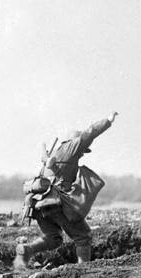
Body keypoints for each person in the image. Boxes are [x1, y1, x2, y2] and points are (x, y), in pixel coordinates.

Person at [15, 112, 117, 268]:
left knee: (53, 238)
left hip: (38, 204)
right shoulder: (70, 148)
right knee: (83, 236)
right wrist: (108, 121)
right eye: (83, 149)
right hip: (56, 202)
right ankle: (84, 269)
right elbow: (89, 133)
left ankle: (27, 249)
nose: (83, 151)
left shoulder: (53, 155)